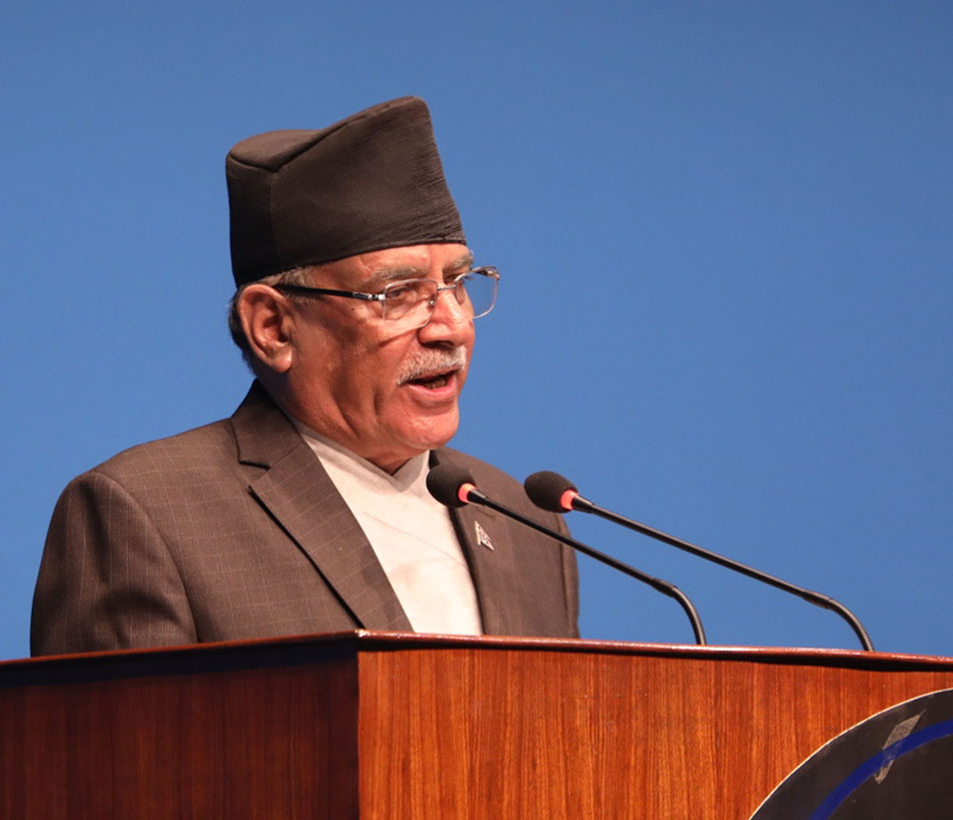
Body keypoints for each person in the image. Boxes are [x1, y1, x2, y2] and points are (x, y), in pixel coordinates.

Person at [30, 96, 578, 655]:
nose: (451, 327)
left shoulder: (523, 518)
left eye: (458, 284)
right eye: (398, 294)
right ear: (273, 328)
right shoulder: (148, 514)